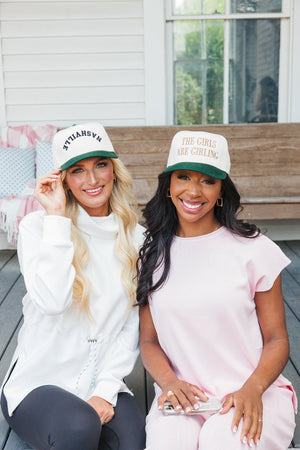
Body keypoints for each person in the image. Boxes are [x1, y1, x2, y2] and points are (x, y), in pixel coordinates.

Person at [137, 130, 297, 450]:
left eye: (207, 181)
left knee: (221, 442)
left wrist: (253, 389)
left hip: (252, 391)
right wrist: (169, 383)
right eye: (183, 177)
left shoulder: (254, 250)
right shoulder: (152, 253)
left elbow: (277, 339)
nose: (193, 191)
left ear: (221, 189)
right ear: (168, 185)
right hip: (183, 396)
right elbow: (149, 341)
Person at [1, 123, 146, 450]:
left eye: (100, 165)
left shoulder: (138, 239)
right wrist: (56, 218)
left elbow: (131, 326)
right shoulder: (38, 227)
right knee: (79, 427)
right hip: (39, 384)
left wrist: (105, 390)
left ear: (114, 170)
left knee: (133, 440)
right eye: (77, 170)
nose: (92, 180)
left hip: (100, 381)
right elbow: (53, 301)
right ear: (62, 178)